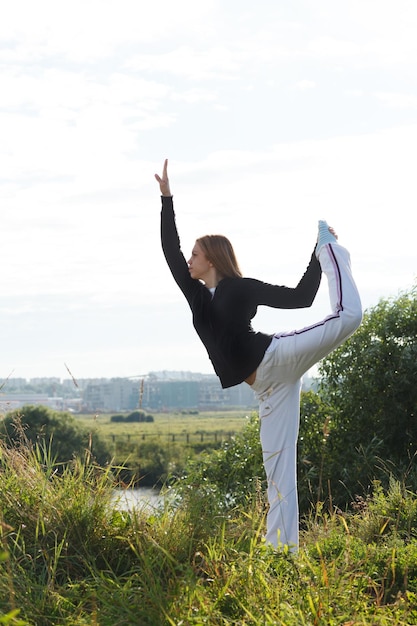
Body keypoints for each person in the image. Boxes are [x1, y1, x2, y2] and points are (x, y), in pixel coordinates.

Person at [155, 159, 362, 551]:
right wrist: (167, 200)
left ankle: (333, 250)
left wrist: (316, 252)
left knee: (349, 316)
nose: (189, 260)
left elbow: (301, 298)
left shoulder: (241, 288)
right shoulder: (197, 296)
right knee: (278, 471)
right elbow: (169, 250)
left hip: (277, 357)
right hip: (268, 390)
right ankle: (281, 554)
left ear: (212, 260)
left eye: (196, 255)